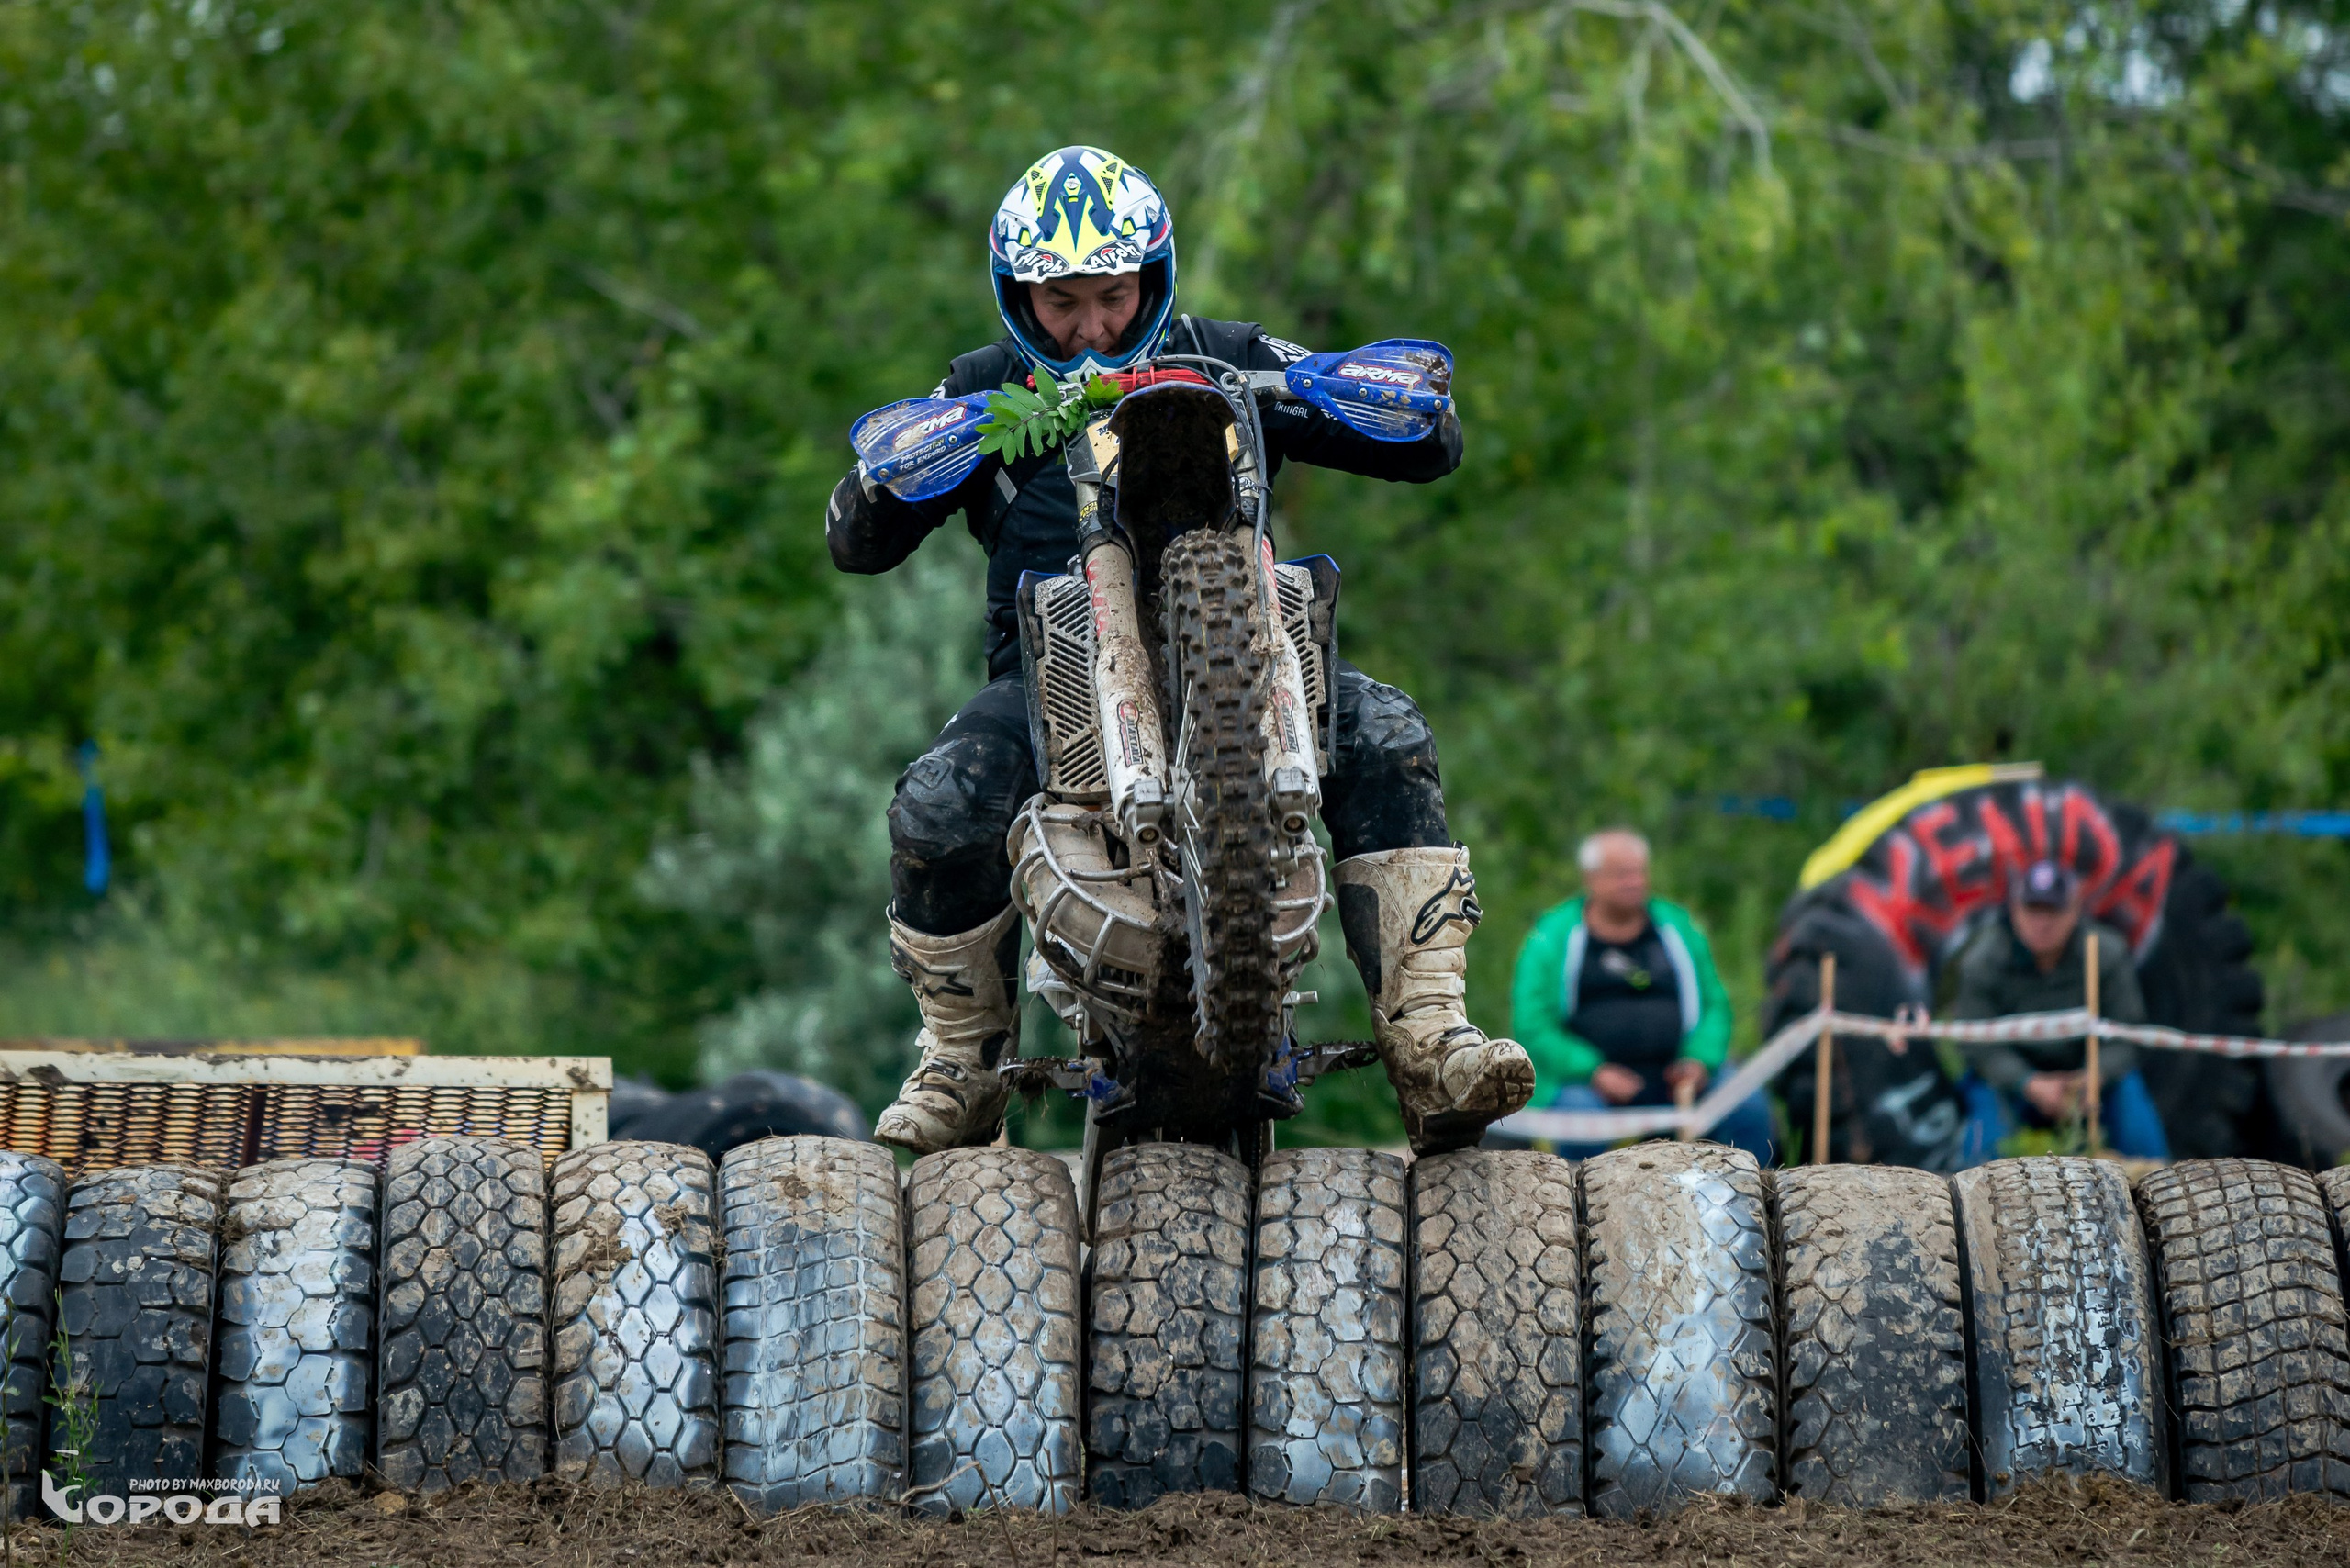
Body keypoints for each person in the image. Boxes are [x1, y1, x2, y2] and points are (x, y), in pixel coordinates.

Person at [825, 146, 1533, 1157]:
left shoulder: (1222, 355)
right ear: (1017, 296)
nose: (1091, 327)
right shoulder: (985, 385)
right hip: (1053, 691)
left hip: (1249, 669)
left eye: (1112, 297)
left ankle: (1429, 1039)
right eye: (1061, 302)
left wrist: (1344, 389)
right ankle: (959, 1064)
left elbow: (1431, 448)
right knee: (942, 798)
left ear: (1151, 279)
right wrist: (902, 468)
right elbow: (854, 543)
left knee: (1385, 732)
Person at [1507, 829, 1776, 1163]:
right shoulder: (1551, 938)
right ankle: (1578, 1206)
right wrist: (1594, 1071)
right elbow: (1533, 1024)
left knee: (1747, 1107)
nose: (1634, 881)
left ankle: (1746, 1205)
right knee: (1580, 1119)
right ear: (1591, 879)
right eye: (1621, 874)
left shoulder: (1678, 928)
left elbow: (1715, 1006)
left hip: (1678, 1077)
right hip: (1588, 1084)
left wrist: (1698, 1060)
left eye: (1639, 872)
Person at [1948, 857, 2170, 1159]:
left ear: (2075, 910)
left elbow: (2127, 1031)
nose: (2042, 922)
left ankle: (2151, 1190)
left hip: (2090, 1080)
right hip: (2011, 1082)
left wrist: (2096, 1075)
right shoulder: (1982, 961)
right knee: (1984, 1142)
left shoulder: (2106, 953)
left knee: (2136, 1120)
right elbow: (1975, 1042)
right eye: (2033, 909)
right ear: (2015, 910)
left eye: (2053, 910)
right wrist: (2028, 1082)